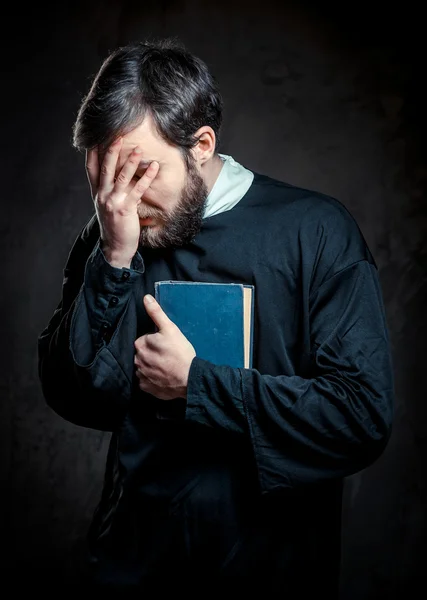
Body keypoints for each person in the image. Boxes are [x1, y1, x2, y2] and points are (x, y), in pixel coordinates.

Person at [37, 37, 395, 594]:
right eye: (104, 176)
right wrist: (113, 258)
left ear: (201, 144)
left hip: (272, 571)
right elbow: (77, 394)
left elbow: (360, 419)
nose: (121, 199)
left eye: (140, 171)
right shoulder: (113, 232)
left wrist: (198, 385)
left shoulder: (316, 231)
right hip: (132, 570)